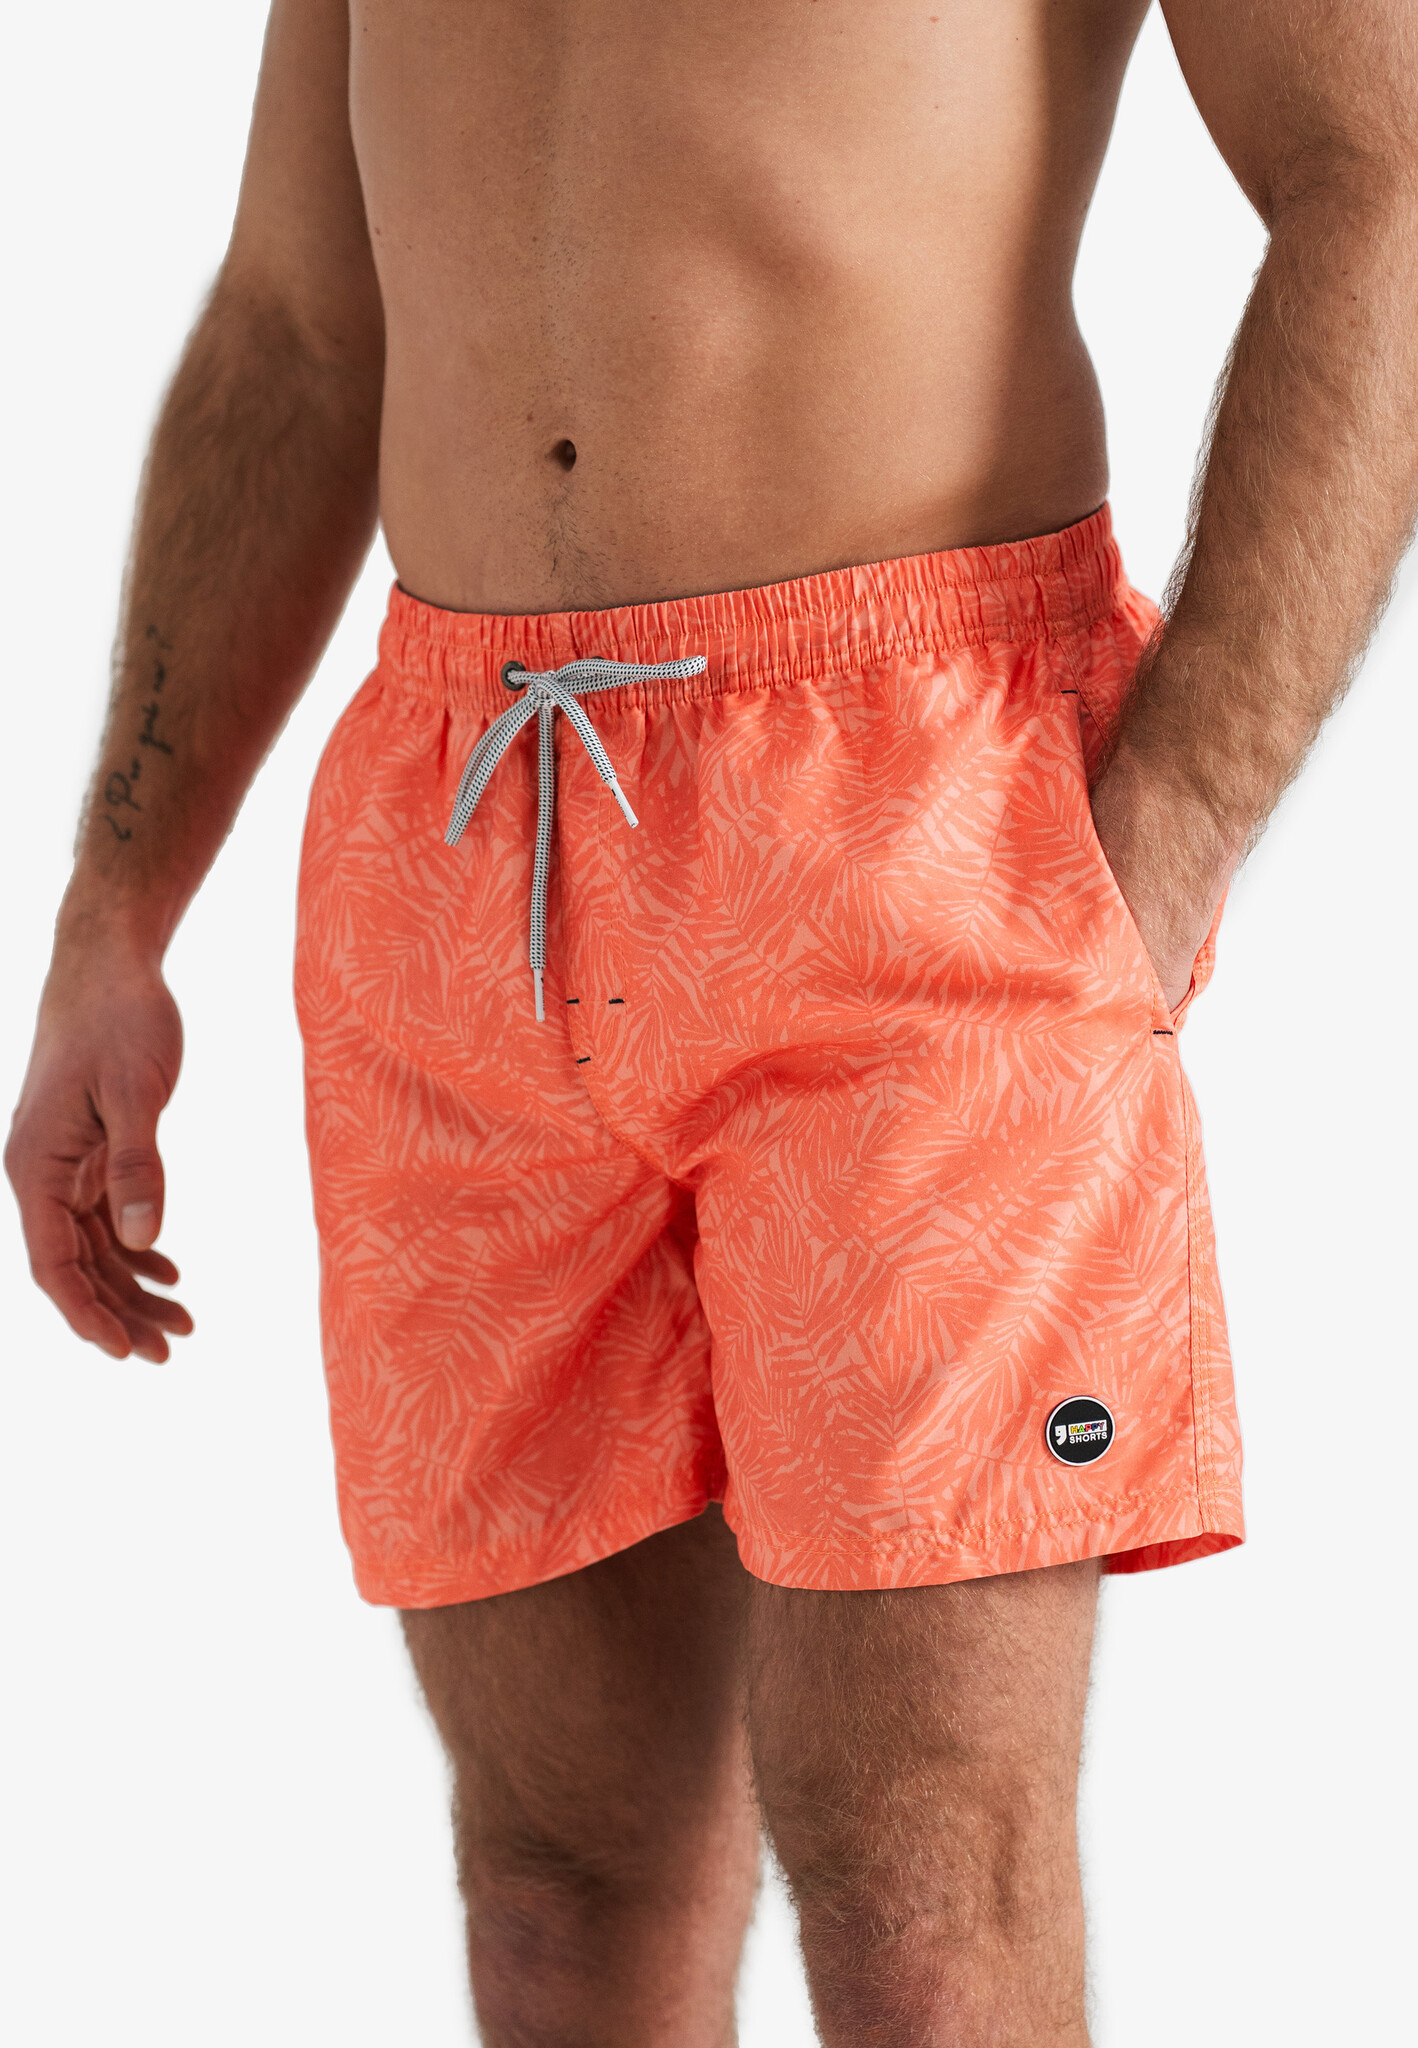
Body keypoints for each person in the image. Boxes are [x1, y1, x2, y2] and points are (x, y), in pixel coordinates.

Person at [7, 1, 1417, 2040]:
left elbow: (1378, 172)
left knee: (921, 1897)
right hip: (460, 836)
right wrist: (115, 906)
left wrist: (1174, 823)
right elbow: (296, 327)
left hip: (914, 822)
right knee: (550, 1892)